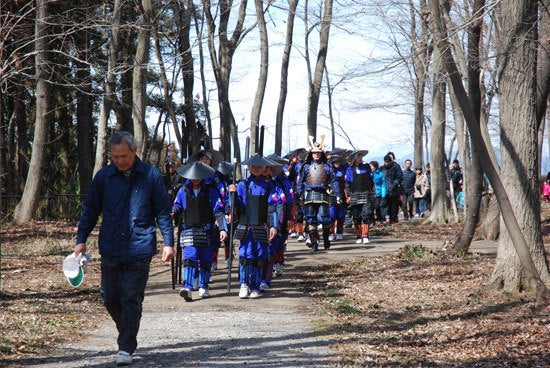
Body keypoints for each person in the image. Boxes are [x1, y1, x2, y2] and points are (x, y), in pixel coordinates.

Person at [74, 131, 174, 366]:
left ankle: (126, 347)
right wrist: (81, 239)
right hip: (111, 246)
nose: (119, 161)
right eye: (115, 156)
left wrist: (168, 242)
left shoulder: (151, 175)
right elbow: (90, 210)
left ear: (134, 151)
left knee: (131, 297)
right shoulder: (103, 177)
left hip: (140, 246)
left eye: (124, 156)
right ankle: (127, 331)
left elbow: (162, 211)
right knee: (109, 297)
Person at [171, 161, 228, 301]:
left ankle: (203, 286)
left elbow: (218, 211)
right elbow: (177, 204)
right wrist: (173, 211)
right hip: (189, 230)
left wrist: (222, 228)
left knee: (205, 260)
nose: (195, 178)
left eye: (198, 176)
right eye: (192, 176)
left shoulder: (211, 191)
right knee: (190, 258)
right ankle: (188, 287)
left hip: (207, 231)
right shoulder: (183, 190)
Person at [231, 154, 279, 299]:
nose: (257, 169)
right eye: (254, 166)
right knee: (245, 256)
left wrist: (273, 226)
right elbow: (235, 206)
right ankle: (244, 284)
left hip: (261, 226)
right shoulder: (242, 185)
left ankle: (256, 286)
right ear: (250, 168)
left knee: (260, 257)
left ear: (263, 168)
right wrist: (231, 194)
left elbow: (273, 207)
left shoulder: (269, 186)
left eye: (259, 166)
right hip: (246, 226)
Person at [296, 136, 341, 252]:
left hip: (323, 194)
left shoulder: (327, 166)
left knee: (325, 219)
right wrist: (299, 194)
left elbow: (334, 181)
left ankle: (326, 239)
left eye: (318, 153)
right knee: (311, 220)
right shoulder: (305, 166)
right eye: (314, 152)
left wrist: (337, 194)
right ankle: (314, 244)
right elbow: (300, 181)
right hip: (310, 194)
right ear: (311, 153)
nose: (316, 154)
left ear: (321, 154)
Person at [345, 150, 373, 244]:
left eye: (361, 157)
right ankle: (358, 235)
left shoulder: (366, 167)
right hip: (354, 194)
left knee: (366, 214)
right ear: (354, 158)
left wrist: (371, 190)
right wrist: (348, 195)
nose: (360, 158)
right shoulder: (350, 169)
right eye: (358, 157)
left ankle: (365, 235)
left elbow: (371, 180)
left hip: (366, 193)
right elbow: (347, 183)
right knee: (356, 216)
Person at [329, 154, 348, 241]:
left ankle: (339, 232)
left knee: (341, 215)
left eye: (338, 162)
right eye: (335, 162)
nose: (337, 164)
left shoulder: (343, 169)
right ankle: (331, 232)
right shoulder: (329, 170)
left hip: (342, 194)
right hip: (331, 195)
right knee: (332, 215)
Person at [379, 153, 403, 224]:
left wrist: (394, 184)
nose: (386, 163)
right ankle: (387, 218)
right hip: (384, 190)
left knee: (394, 206)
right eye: (385, 162)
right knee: (385, 205)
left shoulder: (396, 167)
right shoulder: (381, 168)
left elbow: (399, 177)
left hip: (394, 190)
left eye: (387, 162)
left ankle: (394, 218)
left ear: (390, 161)